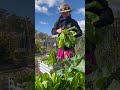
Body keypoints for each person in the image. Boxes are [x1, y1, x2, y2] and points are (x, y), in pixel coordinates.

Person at [85, 0, 114, 74]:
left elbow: (108, 18)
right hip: (75, 48)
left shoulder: (96, 3)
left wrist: (93, 23)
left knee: (89, 71)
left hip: (88, 47)